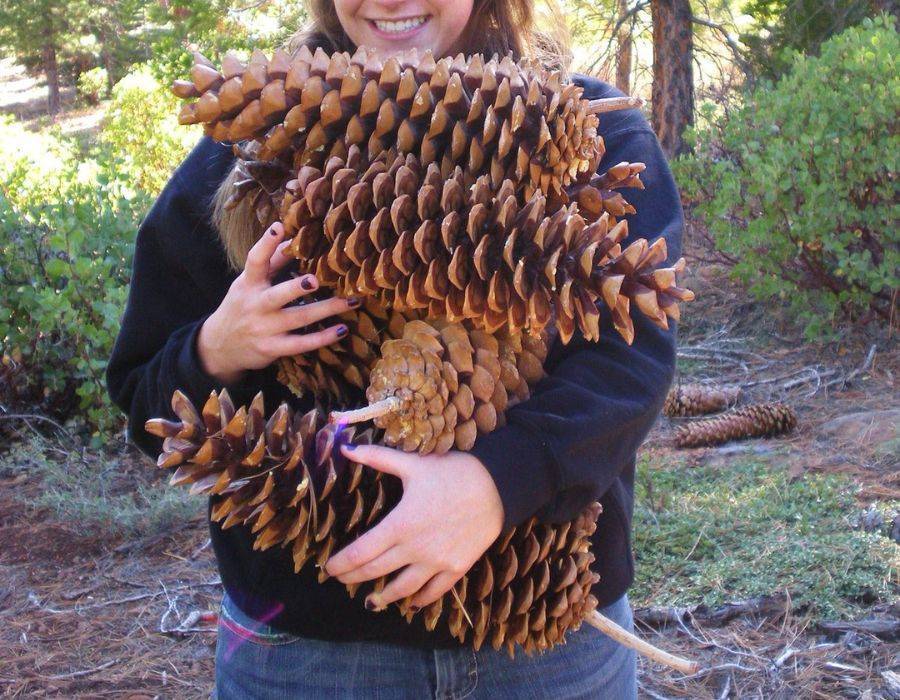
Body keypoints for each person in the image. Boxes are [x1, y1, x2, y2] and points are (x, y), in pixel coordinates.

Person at [107, 1, 682, 697]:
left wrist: (497, 483)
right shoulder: (252, 139)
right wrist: (216, 347)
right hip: (309, 656)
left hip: (549, 647)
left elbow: (632, 357)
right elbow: (145, 396)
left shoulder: (585, 129)